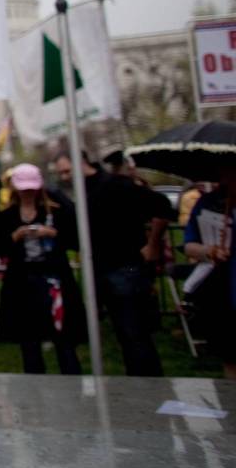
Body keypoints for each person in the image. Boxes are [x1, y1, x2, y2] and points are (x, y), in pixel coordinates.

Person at [53, 151, 172, 376]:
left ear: (82, 163)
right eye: (61, 173)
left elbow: (162, 206)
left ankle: (149, 385)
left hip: (126, 267)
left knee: (135, 333)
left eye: (68, 171)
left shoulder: (118, 185)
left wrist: (153, 244)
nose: (65, 177)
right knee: (123, 334)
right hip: (100, 269)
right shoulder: (81, 193)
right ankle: (137, 382)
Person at [0, 164, 86, 375]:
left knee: (63, 337)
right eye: (23, 189)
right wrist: (14, 237)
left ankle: (72, 381)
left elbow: (75, 240)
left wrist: (53, 234)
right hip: (22, 283)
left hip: (54, 279)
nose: (28, 193)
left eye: (31, 188)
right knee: (29, 340)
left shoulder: (56, 211)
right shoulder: (7, 216)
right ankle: (34, 384)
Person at [181, 164, 235, 379]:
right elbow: (189, 245)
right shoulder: (209, 202)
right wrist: (210, 250)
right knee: (231, 354)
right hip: (224, 287)